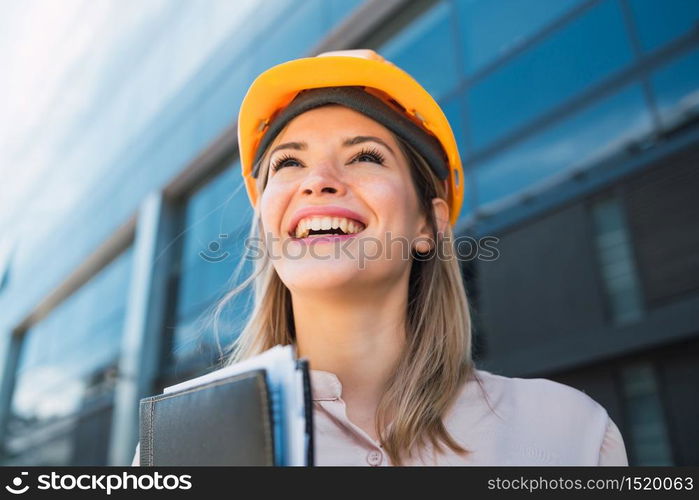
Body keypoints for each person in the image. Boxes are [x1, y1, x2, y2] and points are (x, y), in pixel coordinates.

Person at [132, 49, 628, 466]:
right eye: (288, 162)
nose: (317, 179)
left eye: (365, 156)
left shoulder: (571, 434)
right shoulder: (176, 448)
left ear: (427, 224)